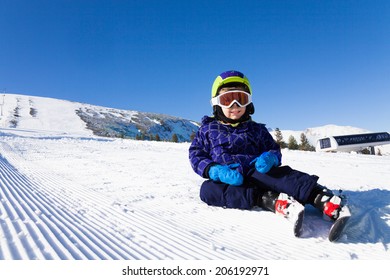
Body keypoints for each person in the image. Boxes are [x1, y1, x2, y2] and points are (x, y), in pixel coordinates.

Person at [188, 70, 344, 237]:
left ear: (249, 102)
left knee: (280, 177)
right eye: (227, 100)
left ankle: (319, 197)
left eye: (241, 99)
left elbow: (273, 148)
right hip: (229, 176)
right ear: (216, 103)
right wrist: (213, 170)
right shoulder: (207, 129)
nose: (235, 105)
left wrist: (270, 157)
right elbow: (196, 154)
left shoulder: (256, 129)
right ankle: (267, 199)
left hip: (256, 170)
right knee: (208, 191)